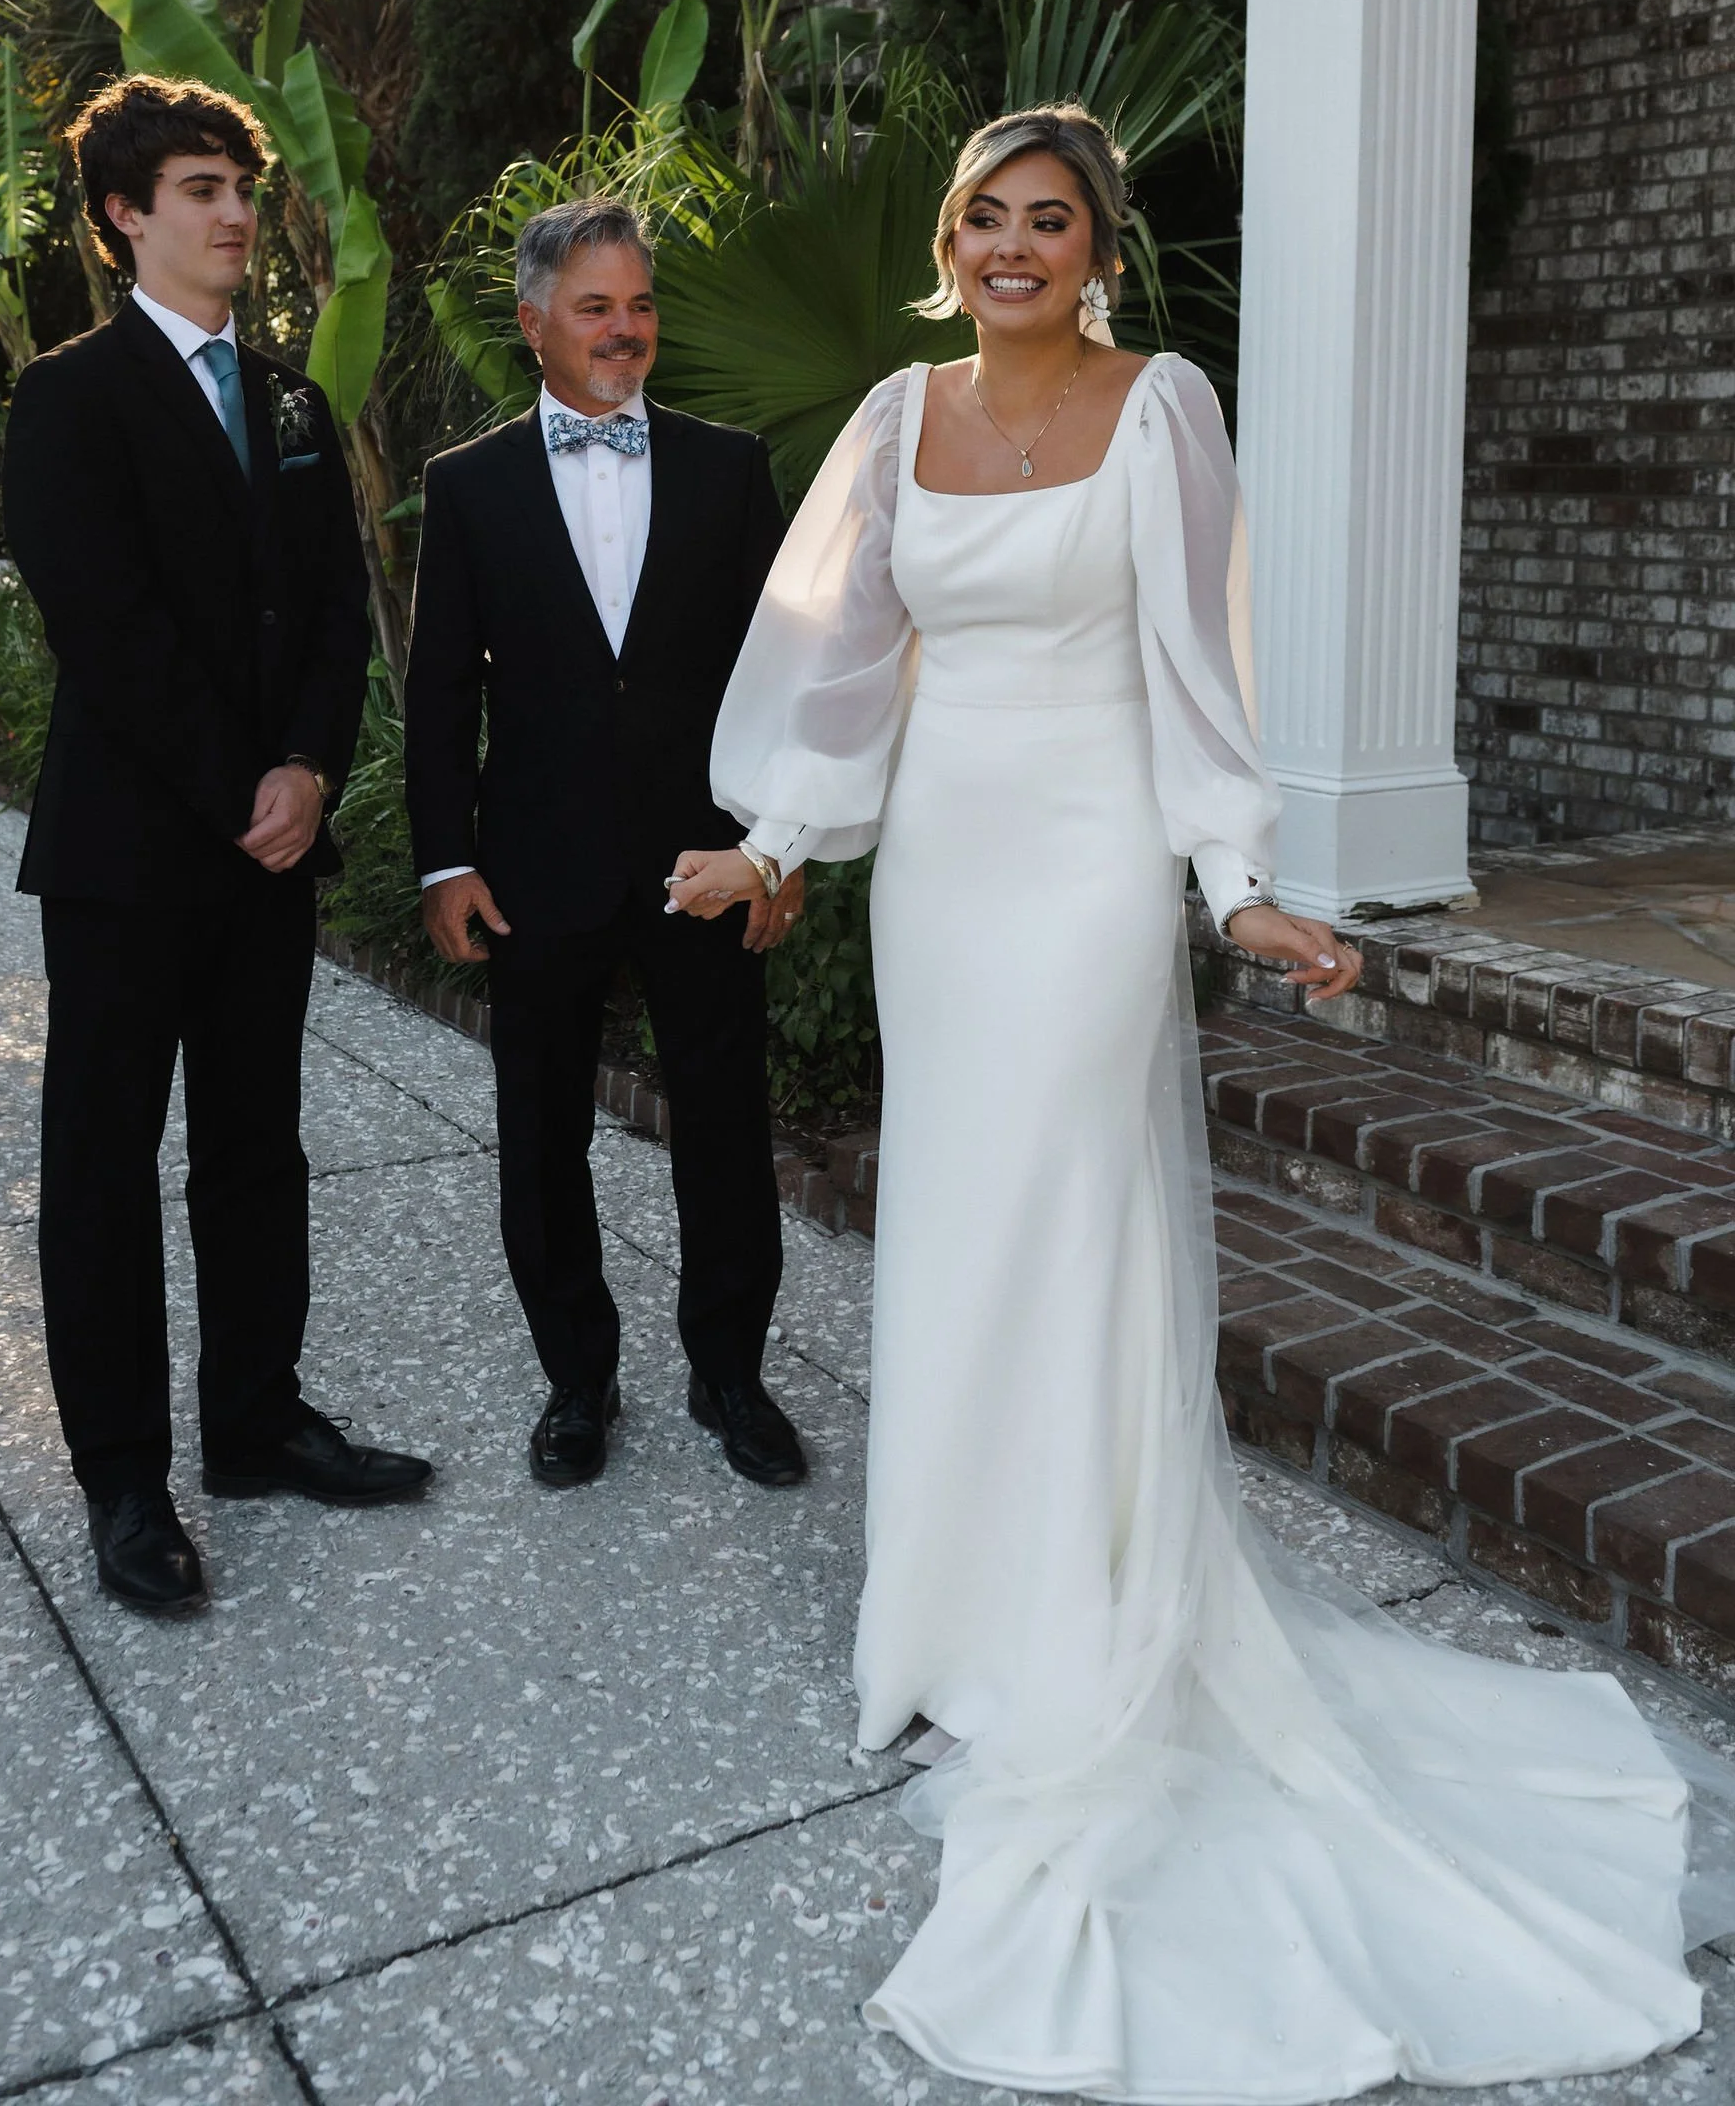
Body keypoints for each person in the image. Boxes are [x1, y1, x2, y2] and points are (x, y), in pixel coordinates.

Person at [673, 105, 1715, 2096]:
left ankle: (1079, 1632)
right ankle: (950, 1627)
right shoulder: (894, 415)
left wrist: (1235, 879)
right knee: (962, 1218)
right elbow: (846, 656)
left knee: (1067, 1216)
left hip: (1080, 877)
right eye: (984, 217)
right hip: (947, 876)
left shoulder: (1160, 409)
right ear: (951, 239)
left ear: (1100, 252)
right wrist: (777, 843)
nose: (1010, 248)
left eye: (1046, 222)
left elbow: (1197, 663)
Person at [3, 74, 431, 1621]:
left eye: (242, 188)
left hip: (272, 851)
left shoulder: (296, 402)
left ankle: (255, 1423)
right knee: (104, 1167)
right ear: (127, 214)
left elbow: (332, 614)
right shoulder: (68, 397)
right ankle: (125, 1482)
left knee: (258, 1147)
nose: (238, 213)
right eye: (201, 189)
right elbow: (103, 628)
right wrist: (237, 784)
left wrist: (311, 766)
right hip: (128, 856)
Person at [403, 197, 806, 1493]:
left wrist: (780, 849)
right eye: (595, 307)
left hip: (706, 865)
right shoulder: (466, 487)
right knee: (539, 1139)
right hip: (535, 870)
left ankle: (730, 1376)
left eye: (638, 305)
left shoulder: (729, 468)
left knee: (729, 1132)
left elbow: (786, 674)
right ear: (535, 326)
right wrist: (443, 858)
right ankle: (577, 1383)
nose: (624, 329)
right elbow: (437, 694)